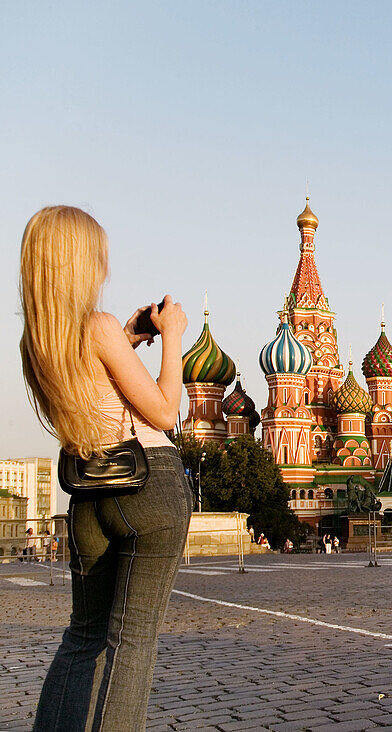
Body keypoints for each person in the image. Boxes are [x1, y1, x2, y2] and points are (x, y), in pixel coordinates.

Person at [21, 206, 191, 731]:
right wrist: (175, 336)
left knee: (83, 636)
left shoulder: (37, 344)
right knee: (132, 641)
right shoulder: (97, 327)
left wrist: (129, 336)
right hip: (149, 486)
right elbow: (165, 411)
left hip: (88, 497)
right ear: (80, 263)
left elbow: (91, 382)